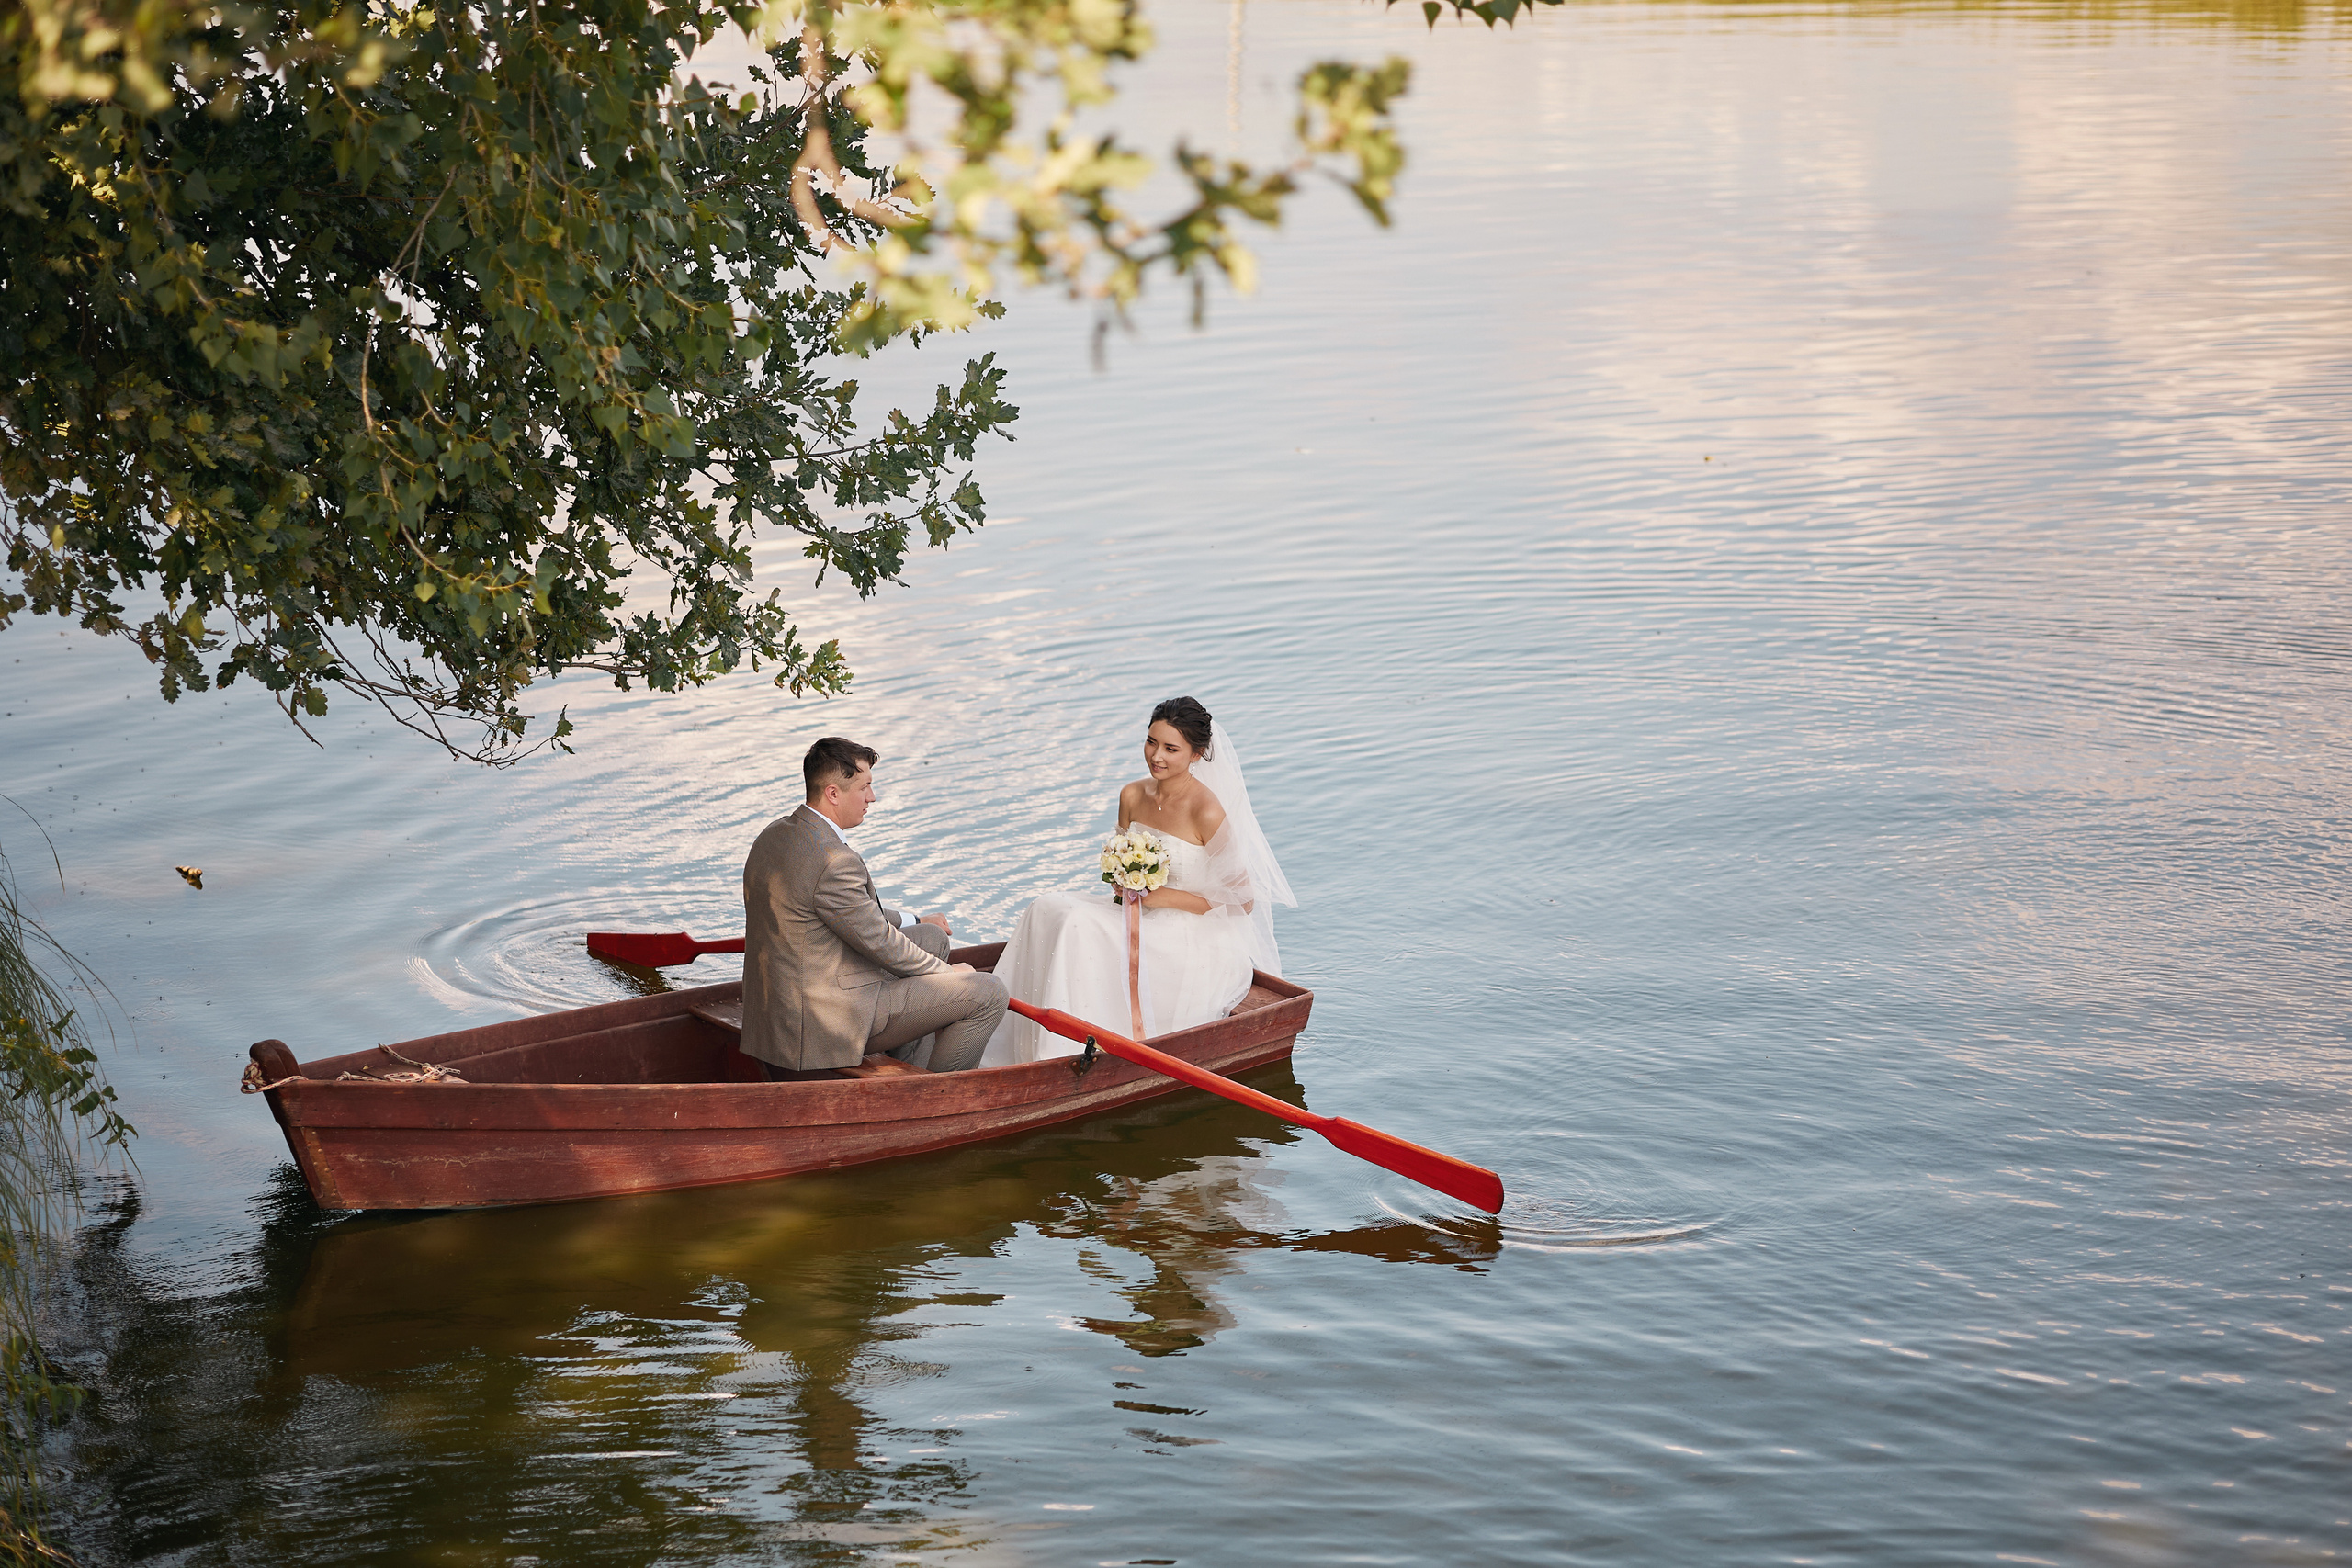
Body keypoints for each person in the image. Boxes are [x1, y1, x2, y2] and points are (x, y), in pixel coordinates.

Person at [979, 697, 1295, 1066]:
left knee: (1078, 924)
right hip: (1133, 910)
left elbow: (1243, 900)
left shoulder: (1205, 809)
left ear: (1197, 755)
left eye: (1171, 748)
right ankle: (1013, 1037)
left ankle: (1062, 1055)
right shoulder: (1132, 794)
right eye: (1151, 742)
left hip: (1189, 932)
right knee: (1045, 907)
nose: (1156, 756)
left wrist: (1166, 898)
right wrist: (1122, 881)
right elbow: (1122, 860)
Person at [741, 737, 1008, 1077]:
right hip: (821, 1020)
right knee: (988, 992)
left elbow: (852, 912)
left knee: (931, 937)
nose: (872, 797)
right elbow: (880, 942)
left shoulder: (775, 834)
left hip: (786, 1001)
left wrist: (915, 919)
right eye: (865, 787)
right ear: (834, 793)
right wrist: (948, 974)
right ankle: (938, 1098)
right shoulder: (833, 861)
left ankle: (911, 1070)